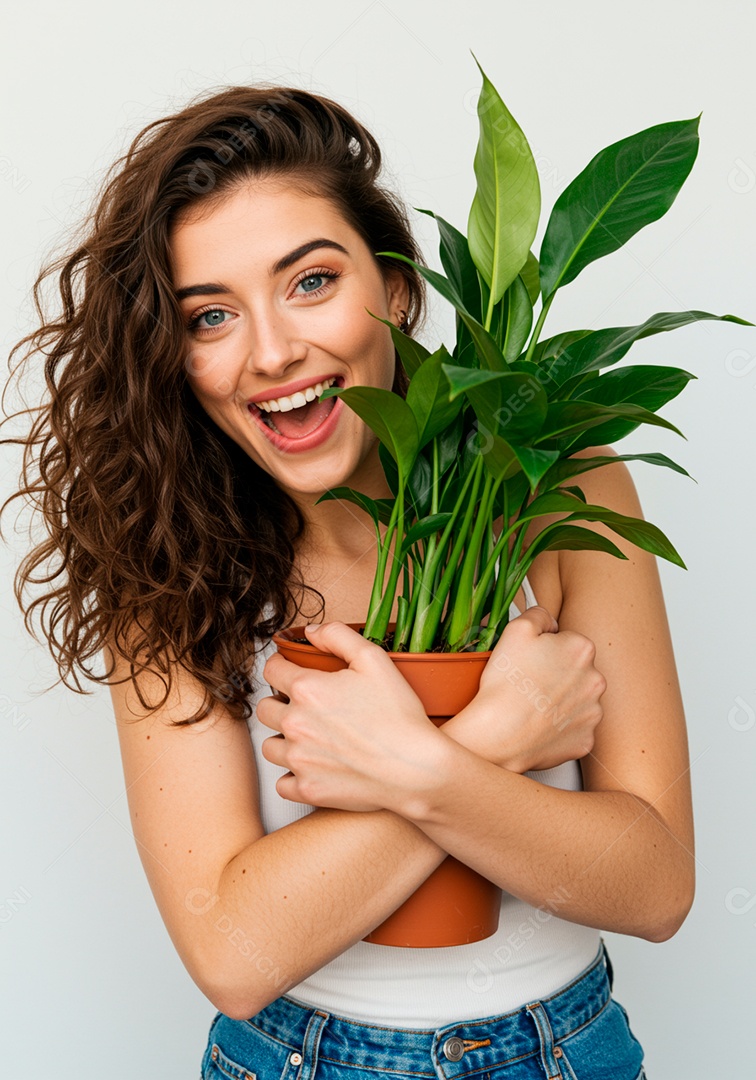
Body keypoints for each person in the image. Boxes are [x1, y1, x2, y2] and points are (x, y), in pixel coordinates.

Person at [7, 84, 693, 1079]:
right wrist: (489, 739)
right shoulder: (162, 564)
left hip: (568, 1051)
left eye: (312, 282)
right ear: (174, 355)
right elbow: (235, 954)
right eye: (210, 317)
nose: (274, 351)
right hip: (296, 1057)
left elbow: (658, 885)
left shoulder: (561, 485)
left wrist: (414, 768)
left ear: (400, 289)